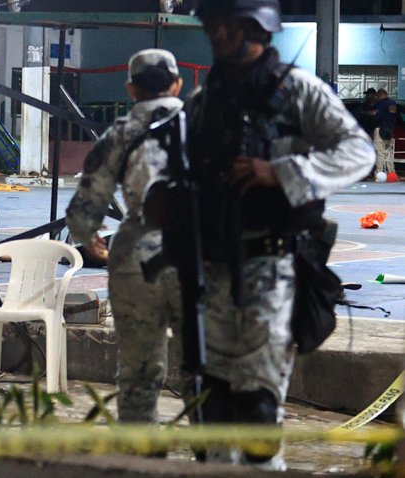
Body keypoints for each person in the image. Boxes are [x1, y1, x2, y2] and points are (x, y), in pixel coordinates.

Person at [187, 0, 374, 469]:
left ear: (255, 27)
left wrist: (283, 172)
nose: (213, 32)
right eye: (210, 22)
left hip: (270, 271)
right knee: (211, 412)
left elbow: (358, 152)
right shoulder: (204, 100)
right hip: (208, 273)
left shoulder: (298, 91)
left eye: (223, 24)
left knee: (256, 414)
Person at [65, 49, 184, 424]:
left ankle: (139, 454)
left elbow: (85, 208)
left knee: (138, 368)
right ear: (178, 84)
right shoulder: (207, 127)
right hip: (198, 257)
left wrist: (91, 240)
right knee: (206, 365)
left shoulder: (119, 134)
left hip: (136, 262)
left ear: (131, 88)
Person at [373, 88, 397, 175]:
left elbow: (377, 117)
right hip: (390, 130)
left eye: (377, 97)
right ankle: (391, 173)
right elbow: (394, 117)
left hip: (380, 129)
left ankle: (379, 173)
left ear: (380, 95)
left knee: (380, 152)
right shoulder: (393, 103)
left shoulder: (380, 104)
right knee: (389, 153)